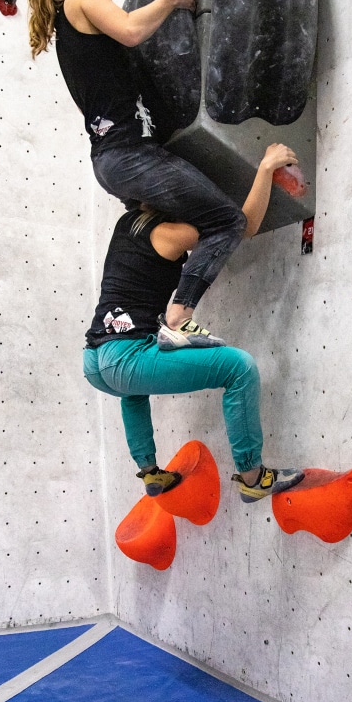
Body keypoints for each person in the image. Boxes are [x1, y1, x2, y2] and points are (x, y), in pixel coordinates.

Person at [28, 0, 265, 350]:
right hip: (128, 156)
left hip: (116, 160)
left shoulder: (77, 33)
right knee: (227, 222)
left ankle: (150, 314)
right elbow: (132, 30)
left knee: (197, 228)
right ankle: (179, 317)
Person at [82, 142, 305, 503]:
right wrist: (265, 169)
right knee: (239, 368)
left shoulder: (129, 224)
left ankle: (150, 472)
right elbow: (240, 226)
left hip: (95, 360)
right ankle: (253, 477)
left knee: (133, 389)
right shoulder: (168, 233)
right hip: (124, 359)